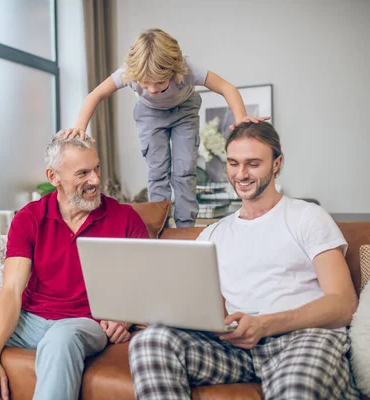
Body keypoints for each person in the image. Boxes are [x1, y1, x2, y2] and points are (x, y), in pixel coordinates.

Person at [128, 121, 360, 399]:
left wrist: (265, 324)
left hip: (304, 337)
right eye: (233, 163)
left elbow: (344, 304)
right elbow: (202, 309)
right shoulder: (212, 234)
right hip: (236, 348)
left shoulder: (307, 217)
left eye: (253, 163)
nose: (241, 174)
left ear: (277, 164)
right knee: (150, 342)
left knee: (297, 388)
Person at [0, 134, 149, 400]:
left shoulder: (125, 218)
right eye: (83, 173)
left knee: (59, 339)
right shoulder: (30, 217)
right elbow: (11, 290)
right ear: (54, 176)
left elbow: (147, 285)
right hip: (29, 320)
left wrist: (124, 318)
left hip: (82, 324)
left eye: (97, 168)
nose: (95, 180)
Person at [60, 28, 268, 227]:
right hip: (150, 115)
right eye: (145, 83)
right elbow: (96, 94)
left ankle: (186, 224)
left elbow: (226, 87)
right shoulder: (129, 72)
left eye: (159, 83)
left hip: (184, 112)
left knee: (184, 169)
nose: (151, 89)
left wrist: (240, 116)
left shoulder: (186, 69)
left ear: (173, 70)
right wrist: (80, 126)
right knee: (157, 170)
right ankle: (157, 225)